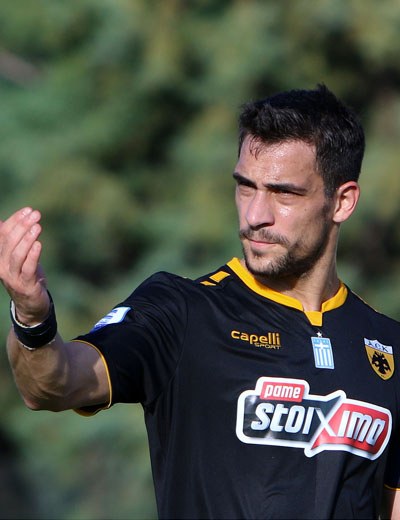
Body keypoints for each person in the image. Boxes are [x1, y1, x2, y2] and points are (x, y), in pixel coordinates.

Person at [1, 84, 399, 519]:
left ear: (342, 202)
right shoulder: (183, 311)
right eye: (245, 187)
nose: (255, 215)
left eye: (283, 193)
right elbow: (53, 384)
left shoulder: (388, 346)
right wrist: (32, 318)